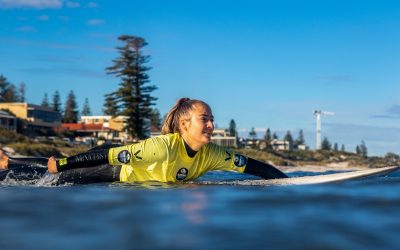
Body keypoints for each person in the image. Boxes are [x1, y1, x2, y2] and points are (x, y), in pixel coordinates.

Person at [0, 98, 287, 184]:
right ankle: (9, 164)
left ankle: (7, 161)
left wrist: (287, 183)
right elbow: (110, 157)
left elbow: (254, 167)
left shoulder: (212, 154)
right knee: (56, 175)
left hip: (121, 164)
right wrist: (64, 162)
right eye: (205, 120)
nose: (212, 125)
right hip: (113, 165)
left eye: (212, 119)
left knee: (55, 171)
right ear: (185, 125)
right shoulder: (161, 147)